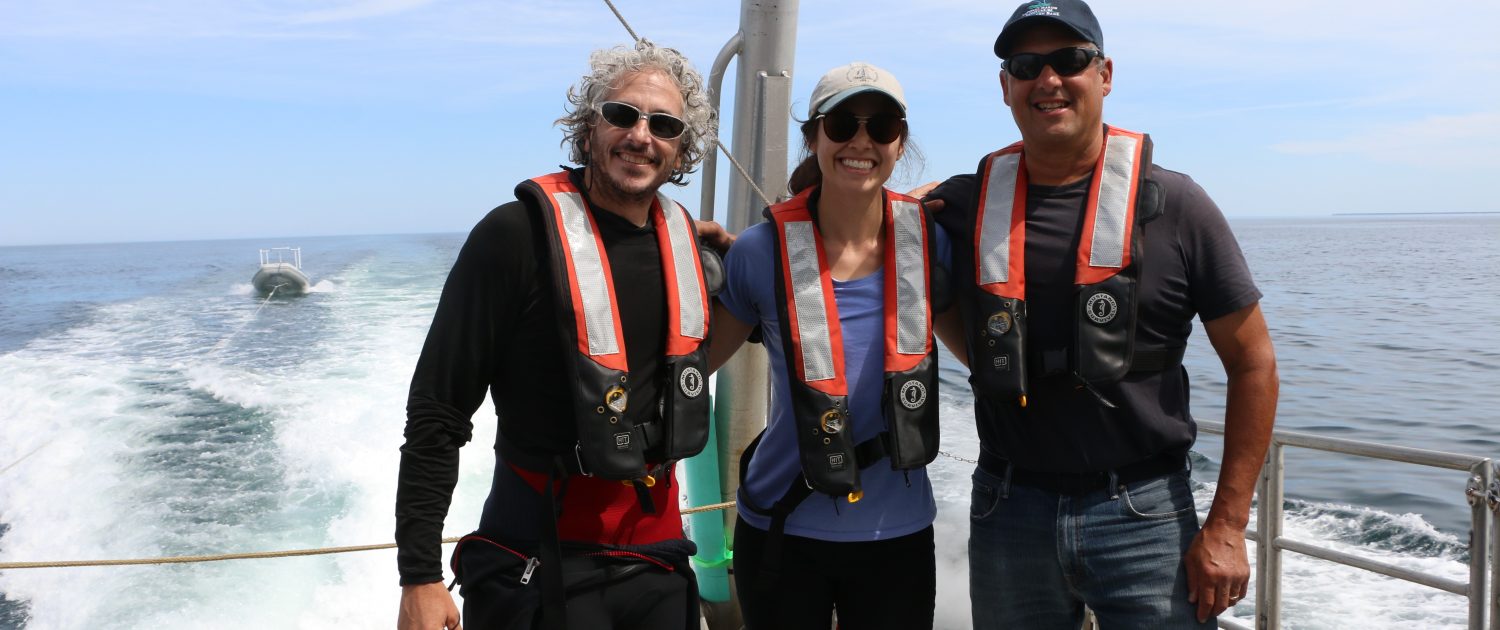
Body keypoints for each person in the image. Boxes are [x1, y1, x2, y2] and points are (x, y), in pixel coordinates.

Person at [920, 1, 1279, 627]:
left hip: (1144, 516)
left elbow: (1254, 364)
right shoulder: (965, 203)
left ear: (1105, 74)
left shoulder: (1178, 207)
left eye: (1070, 60)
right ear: (1006, 86)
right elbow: (858, 223)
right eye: (1027, 64)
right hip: (1009, 510)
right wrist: (737, 244)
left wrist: (1227, 524)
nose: (1049, 80)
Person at [395, 40, 727, 630]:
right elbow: (438, 409)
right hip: (538, 563)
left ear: (682, 150)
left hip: (658, 568)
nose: (640, 136)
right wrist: (419, 576)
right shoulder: (513, 238)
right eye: (622, 115)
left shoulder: (691, 255)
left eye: (665, 125)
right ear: (588, 128)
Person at [709, 62, 953, 630]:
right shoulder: (756, 252)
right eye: (842, 123)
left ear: (899, 142)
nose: (861, 140)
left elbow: (981, 354)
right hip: (781, 531)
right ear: (814, 136)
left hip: (897, 537)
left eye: (882, 125)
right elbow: (692, 366)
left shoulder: (932, 241)